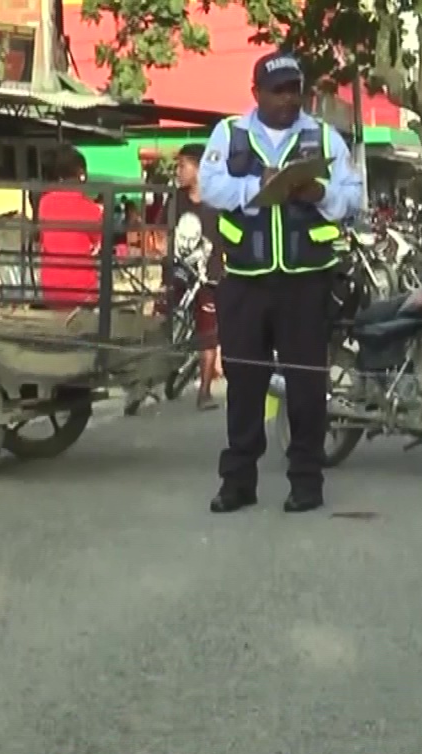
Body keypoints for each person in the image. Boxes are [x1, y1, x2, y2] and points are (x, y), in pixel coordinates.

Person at [198, 50, 364, 515]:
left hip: (305, 282)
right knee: (244, 385)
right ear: (257, 94)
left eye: (295, 89)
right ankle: (238, 482)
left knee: (307, 387)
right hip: (244, 280)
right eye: (279, 90)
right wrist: (259, 186)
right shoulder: (229, 134)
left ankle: (306, 482)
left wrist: (320, 193)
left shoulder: (323, 136)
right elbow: (210, 188)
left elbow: (353, 199)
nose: (289, 99)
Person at [169, 142, 225, 410]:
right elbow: (159, 230)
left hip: (209, 278)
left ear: (200, 167)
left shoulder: (219, 202)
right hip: (178, 271)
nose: (178, 171)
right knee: (161, 315)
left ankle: (204, 391)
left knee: (208, 333)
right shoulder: (175, 198)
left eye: (182, 165)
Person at [37, 145, 105, 310]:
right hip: (82, 291)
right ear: (81, 174)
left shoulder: (44, 202)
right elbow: (98, 245)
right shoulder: (91, 209)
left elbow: (44, 239)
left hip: (50, 289)